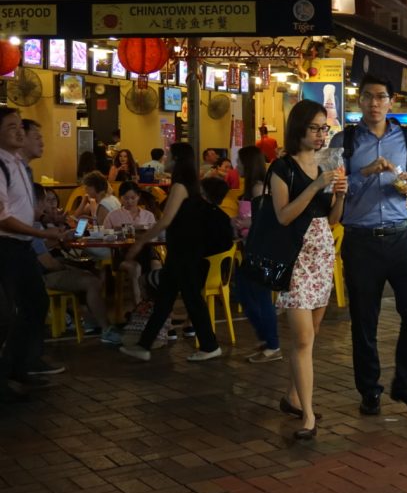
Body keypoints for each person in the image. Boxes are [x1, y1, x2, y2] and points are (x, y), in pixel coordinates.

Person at [336, 73, 407, 417]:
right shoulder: (344, 141)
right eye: (367, 97)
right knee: (364, 320)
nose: (374, 103)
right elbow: (334, 189)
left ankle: (405, 384)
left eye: (381, 97)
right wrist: (364, 175)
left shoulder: (405, 137)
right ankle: (369, 391)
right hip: (360, 240)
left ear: (392, 101)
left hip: (399, 235)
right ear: (358, 101)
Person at [266, 100, 346, 439]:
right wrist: (315, 185)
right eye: (315, 128)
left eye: (324, 128)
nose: (320, 134)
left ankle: (292, 397)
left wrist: (341, 195)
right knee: (301, 338)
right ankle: (308, 417)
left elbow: (332, 219)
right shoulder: (281, 168)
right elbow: (283, 216)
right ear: (299, 128)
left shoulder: (330, 160)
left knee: (310, 337)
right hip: (295, 256)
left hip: (322, 254)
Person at [119, 142, 224, 364]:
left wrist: (141, 242)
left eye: (169, 156)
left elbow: (165, 220)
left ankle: (209, 345)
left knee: (186, 299)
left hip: (183, 252)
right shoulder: (190, 186)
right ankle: (145, 345)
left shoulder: (180, 186)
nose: (166, 160)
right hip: (185, 251)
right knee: (168, 299)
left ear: (178, 159)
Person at [0, 108, 69, 393]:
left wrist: (45, 219)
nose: (20, 131)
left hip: (22, 245)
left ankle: (21, 366)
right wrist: (42, 233)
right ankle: (6, 377)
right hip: (5, 247)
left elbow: (19, 208)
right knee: (7, 313)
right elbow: (3, 217)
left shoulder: (17, 164)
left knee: (35, 303)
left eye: (20, 126)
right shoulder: (1, 165)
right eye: (12, 127)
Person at [30, 183, 121, 345]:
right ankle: (106, 328)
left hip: (37, 271)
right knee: (91, 281)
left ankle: (92, 321)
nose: (47, 205)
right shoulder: (32, 227)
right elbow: (48, 263)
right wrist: (67, 266)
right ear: (35, 202)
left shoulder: (31, 224)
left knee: (88, 272)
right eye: (44, 200)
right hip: (39, 276)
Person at [232, 145, 281, 364]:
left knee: (259, 297)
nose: (237, 166)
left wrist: (248, 222)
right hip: (249, 247)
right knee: (244, 293)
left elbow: (269, 217)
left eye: (240, 162)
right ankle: (265, 340)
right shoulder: (250, 187)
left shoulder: (259, 187)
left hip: (260, 249)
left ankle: (272, 344)